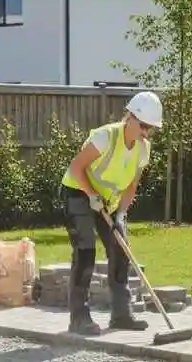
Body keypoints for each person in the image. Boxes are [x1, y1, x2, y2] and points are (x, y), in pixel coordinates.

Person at [59, 91, 162, 336]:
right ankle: (79, 318)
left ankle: (121, 315)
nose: (146, 132)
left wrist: (121, 215)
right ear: (131, 118)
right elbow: (76, 167)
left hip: (109, 202)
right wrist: (91, 195)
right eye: (144, 126)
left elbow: (131, 186)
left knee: (120, 249)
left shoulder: (143, 149)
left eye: (151, 128)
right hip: (77, 191)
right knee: (85, 251)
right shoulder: (106, 137)